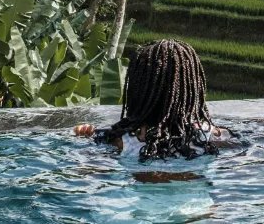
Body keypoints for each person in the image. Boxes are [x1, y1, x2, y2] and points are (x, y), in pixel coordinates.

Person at [74, 39, 235, 160]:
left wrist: (88, 134)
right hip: (198, 202)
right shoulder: (210, 136)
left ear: (137, 90)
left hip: (137, 203)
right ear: (192, 90)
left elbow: (91, 170)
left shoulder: (122, 142)